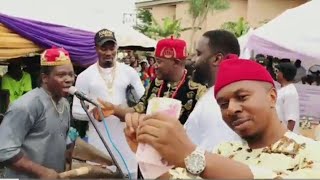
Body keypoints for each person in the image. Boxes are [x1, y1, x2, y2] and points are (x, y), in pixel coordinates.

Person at [125, 58, 320, 179]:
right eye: (223, 104)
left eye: (242, 97)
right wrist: (148, 149)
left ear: (272, 97)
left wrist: (191, 154)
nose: (232, 109)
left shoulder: (311, 153)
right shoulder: (225, 151)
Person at [72, 29, 145, 178]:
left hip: (127, 142)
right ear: (96, 49)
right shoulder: (85, 76)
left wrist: (120, 111)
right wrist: (93, 112)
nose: (108, 52)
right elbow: (76, 112)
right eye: (103, 48)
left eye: (112, 48)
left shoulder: (129, 72)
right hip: (99, 144)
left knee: (128, 174)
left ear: (117, 47)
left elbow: (145, 102)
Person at [0, 47, 75, 178]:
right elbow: (5, 150)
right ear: (45, 78)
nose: (68, 79)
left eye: (71, 74)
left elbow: (62, 140)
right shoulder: (26, 106)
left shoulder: (64, 104)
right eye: (61, 75)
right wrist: (42, 172)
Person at [103, 36, 207, 125]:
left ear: (176, 62)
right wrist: (113, 109)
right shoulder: (155, 84)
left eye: (159, 61)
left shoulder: (198, 90)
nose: (154, 66)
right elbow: (137, 111)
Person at [184, 30, 241, 151]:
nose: (194, 60)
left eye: (199, 54)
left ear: (216, 59)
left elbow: (218, 156)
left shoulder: (219, 103)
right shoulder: (212, 95)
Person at [275, 62, 300, 133]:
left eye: (278, 71)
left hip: (285, 137)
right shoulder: (282, 90)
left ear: (283, 74)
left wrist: (286, 138)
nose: (276, 74)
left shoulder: (290, 92)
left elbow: (291, 119)